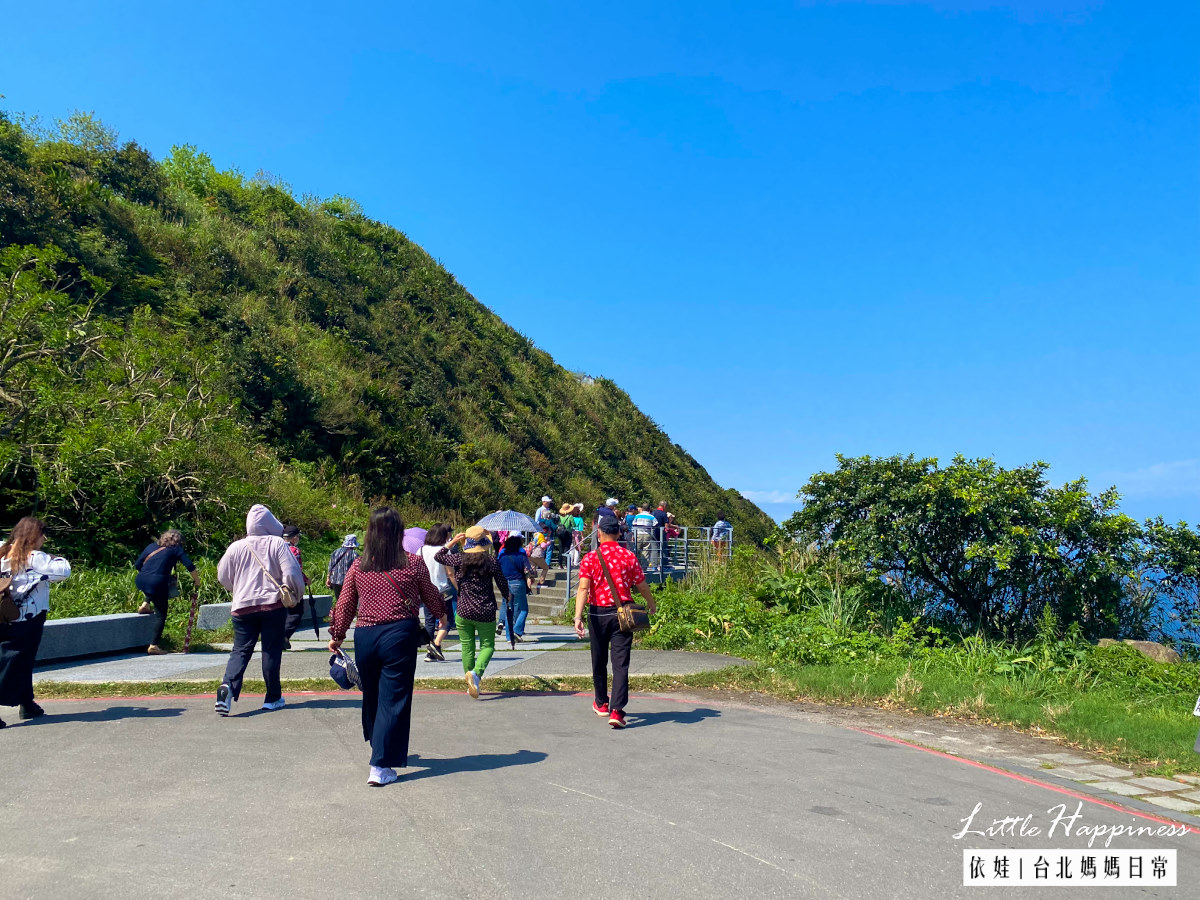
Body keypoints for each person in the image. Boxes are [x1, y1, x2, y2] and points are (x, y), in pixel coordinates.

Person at [328, 507, 446, 786]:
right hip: (399, 636)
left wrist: (337, 634)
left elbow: (345, 603)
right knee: (394, 698)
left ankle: (377, 744)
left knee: (373, 693)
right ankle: (380, 765)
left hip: (366, 635)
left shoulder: (359, 565)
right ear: (398, 533)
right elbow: (430, 593)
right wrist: (441, 614)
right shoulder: (412, 562)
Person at [214, 505, 305, 716]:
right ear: (270, 523)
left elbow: (223, 576)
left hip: (242, 607)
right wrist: (295, 595)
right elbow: (291, 573)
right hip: (272, 605)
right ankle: (272, 698)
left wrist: (237, 589)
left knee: (240, 650)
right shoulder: (277, 543)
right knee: (271, 650)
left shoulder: (236, 547)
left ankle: (227, 687)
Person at [573, 515, 657, 729]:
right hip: (623, 615)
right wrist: (651, 604)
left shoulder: (591, 558)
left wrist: (577, 616)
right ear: (619, 534)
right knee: (621, 663)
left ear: (599, 533)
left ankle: (601, 703)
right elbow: (642, 585)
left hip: (598, 614)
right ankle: (617, 711)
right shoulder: (628, 556)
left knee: (599, 659)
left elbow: (583, 588)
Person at [0, 517, 70, 725]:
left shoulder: (3, 551)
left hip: (2, 614)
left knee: (20, 660)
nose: (44, 539)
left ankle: (27, 703)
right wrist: (51, 556)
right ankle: (22, 702)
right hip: (26, 617)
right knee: (13, 661)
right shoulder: (36, 557)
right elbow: (64, 570)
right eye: (43, 535)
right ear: (35, 536)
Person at [435, 526, 510, 697]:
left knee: (467, 646)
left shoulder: (460, 559)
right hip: (485, 610)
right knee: (488, 646)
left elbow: (438, 556)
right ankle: (475, 674)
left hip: (463, 610)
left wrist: (451, 542)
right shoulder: (492, 561)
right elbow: (502, 583)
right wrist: (507, 596)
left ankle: (470, 681)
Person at [134, 529, 200, 655]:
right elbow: (189, 565)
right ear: (179, 541)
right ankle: (153, 645)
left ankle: (145, 605)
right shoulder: (176, 549)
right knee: (161, 614)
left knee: (154, 586)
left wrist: (149, 573)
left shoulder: (151, 547)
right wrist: (197, 580)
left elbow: (138, 565)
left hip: (141, 580)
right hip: (156, 583)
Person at [419, 524, 456, 662]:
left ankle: (431, 650)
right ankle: (436, 644)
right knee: (448, 620)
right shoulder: (444, 550)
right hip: (442, 590)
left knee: (429, 621)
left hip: (426, 590)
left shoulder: (421, 550)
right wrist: (458, 589)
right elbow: (450, 573)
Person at [497, 535, 535, 643]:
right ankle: (517, 631)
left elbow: (497, 568)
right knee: (523, 609)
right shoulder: (521, 555)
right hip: (518, 583)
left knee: (509, 609)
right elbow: (528, 569)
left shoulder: (502, 555)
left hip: (505, 584)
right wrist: (531, 577)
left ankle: (509, 637)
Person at [281, 525, 310, 648]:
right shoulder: (294, 551)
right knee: (296, 614)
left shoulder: (276, 548)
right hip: (291, 588)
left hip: (277, 587)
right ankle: (284, 636)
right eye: (297, 537)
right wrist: (305, 580)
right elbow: (295, 570)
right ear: (293, 538)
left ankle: (281, 638)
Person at [326, 534, 359, 602]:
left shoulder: (336, 552)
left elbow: (330, 566)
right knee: (347, 602)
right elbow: (358, 569)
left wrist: (328, 578)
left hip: (335, 580)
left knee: (339, 601)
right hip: (347, 582)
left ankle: (338, 611)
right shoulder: (354, 554)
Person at [652, 502, 670, 571]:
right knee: (663, 548)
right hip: (661, 532)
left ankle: (654, 566)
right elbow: (666, 525)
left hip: (653, 532)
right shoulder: (663, 514)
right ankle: (664, 565)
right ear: (664, 506)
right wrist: (666, 531)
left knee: (654, 549)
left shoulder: (653, 513)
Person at [556, 503, 575, 567]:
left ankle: (560, 564)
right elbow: (573, 525)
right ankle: (566, 564)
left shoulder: (560, 517)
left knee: (561, 549)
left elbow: (558, 524)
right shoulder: (570, 517)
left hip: (561, 534)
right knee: (567, 549)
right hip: (568, 534)